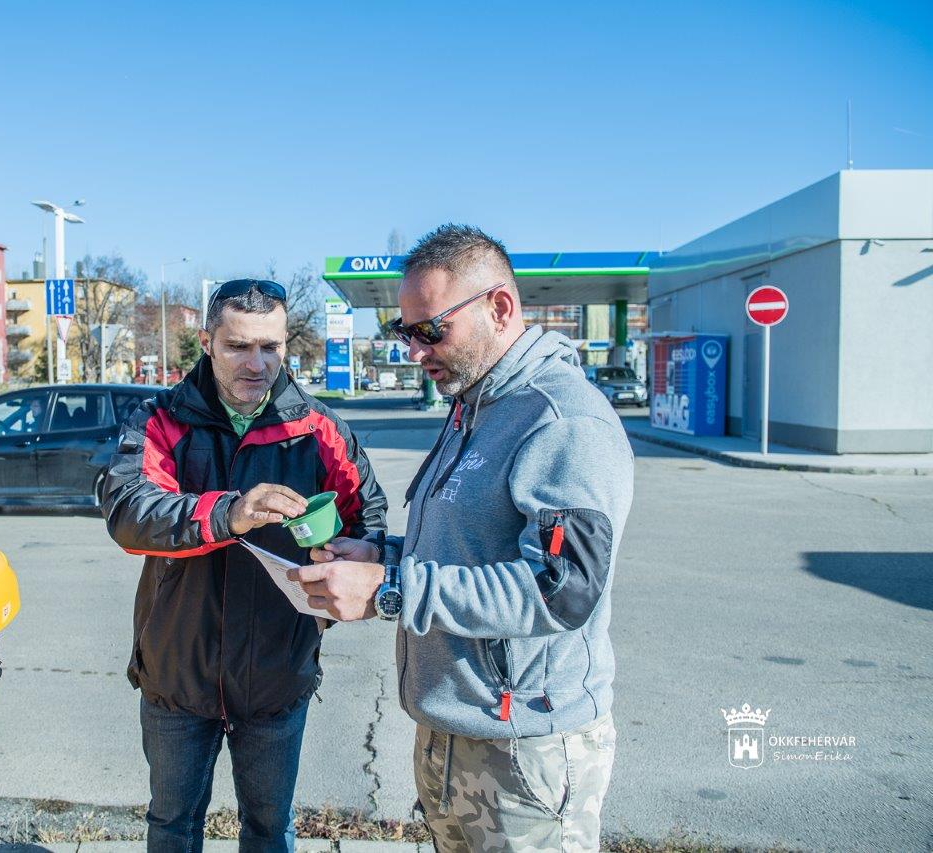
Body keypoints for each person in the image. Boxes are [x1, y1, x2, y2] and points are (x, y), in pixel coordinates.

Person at [289, 225, 634, 852]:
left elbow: (560, 591)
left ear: (499, 308)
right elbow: (467, 548)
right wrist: (381, 555)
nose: (415, 351)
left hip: (523, 749)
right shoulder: (474, 407)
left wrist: (390, 588)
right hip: (453, 733)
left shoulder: (562, 421)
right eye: (404, 332)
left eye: (430, 331)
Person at [101, 278, 388, 853]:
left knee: (268, 829)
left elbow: (369, 516)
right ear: (207, 342)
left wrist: (349, 557)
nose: (257, 363)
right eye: (238, 346)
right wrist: (229, 513)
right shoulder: (159, 419)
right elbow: (129, 514)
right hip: (177, 673)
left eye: (271, 347)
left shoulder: (318, 427)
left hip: (276, 673)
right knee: (172, 826)